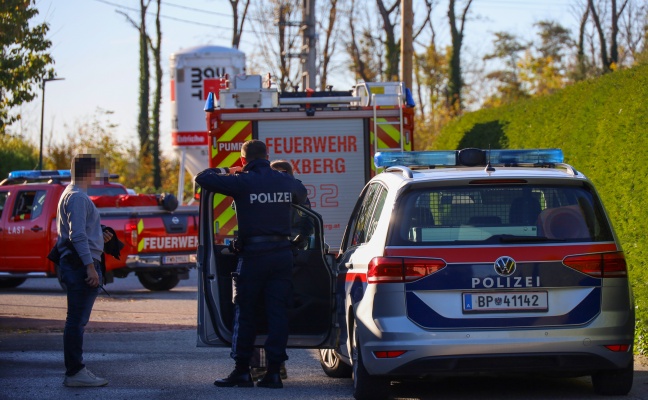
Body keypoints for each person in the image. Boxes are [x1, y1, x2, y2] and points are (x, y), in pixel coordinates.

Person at [195, 140, 308, 389]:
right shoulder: (286, 181)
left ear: (243, 160)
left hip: (254, 256)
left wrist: (229, 171)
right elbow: (304, 202)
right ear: (267, 156)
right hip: (281, 256)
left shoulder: (243, 181)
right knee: (277, 314)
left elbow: (203, 178)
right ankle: (275, 373)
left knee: (245, 313)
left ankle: (242, 371)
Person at [57, 153, 113, 387]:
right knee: (76, 321)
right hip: (81, 267)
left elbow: (80, 231)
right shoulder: (78, 197)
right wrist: (90, 267)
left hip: (77, 264)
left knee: (76, 320)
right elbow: (77, 234)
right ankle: (75, 372)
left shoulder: (69, 194)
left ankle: (75, 370)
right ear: (90, 172)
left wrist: (101, 235)